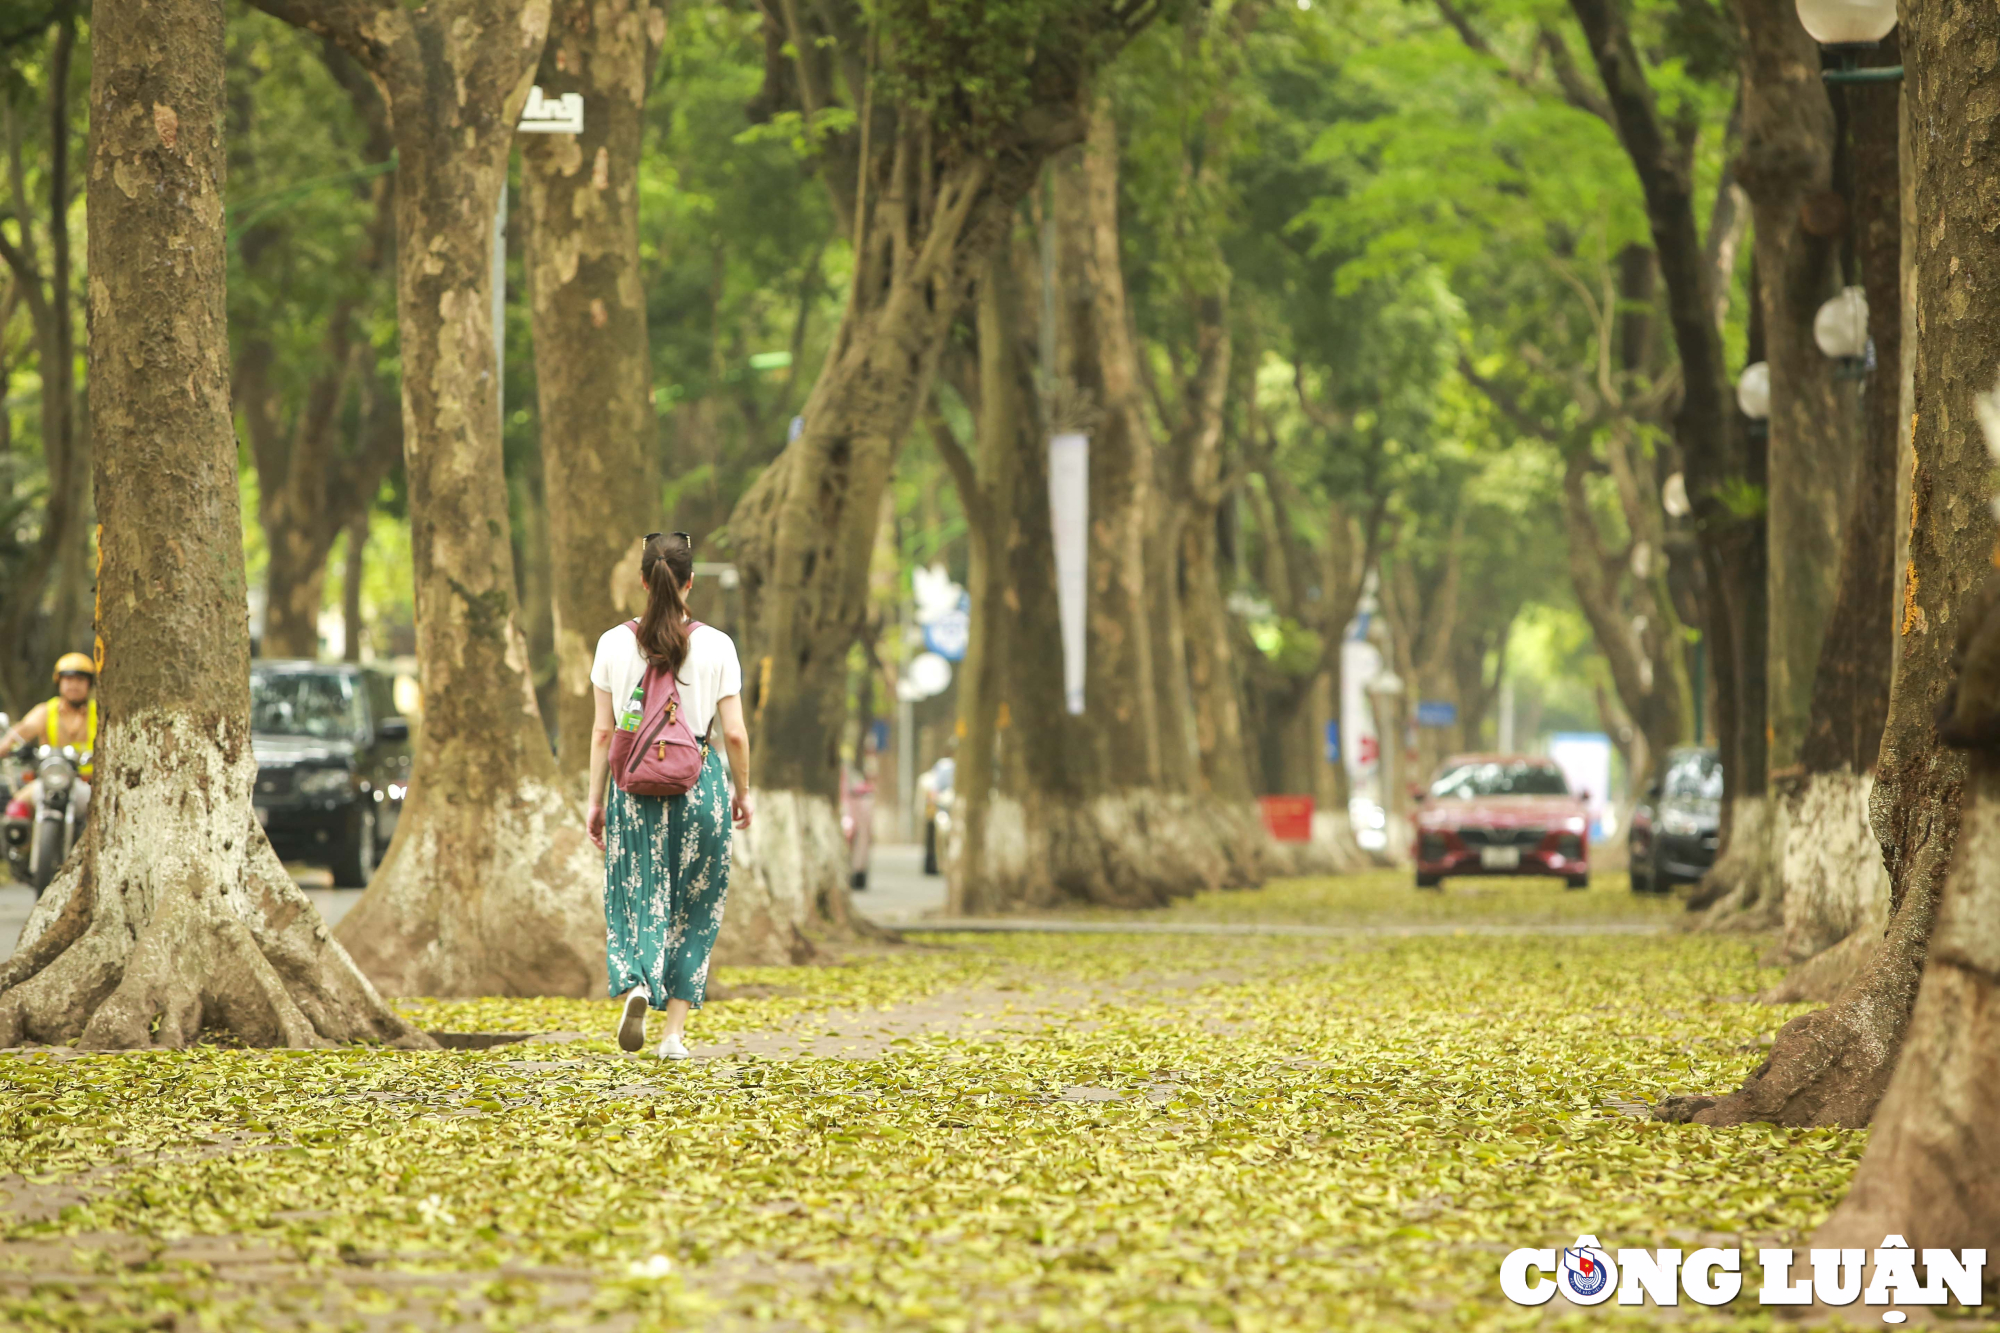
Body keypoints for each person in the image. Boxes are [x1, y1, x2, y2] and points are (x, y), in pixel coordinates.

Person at [586, 532, 751, 1060]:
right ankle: (673, 1036)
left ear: (641, 580)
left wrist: (595, 802)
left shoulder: (613, 642)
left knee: (636, 892)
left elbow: (601, 733)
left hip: (632, 791)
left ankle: (636, 982)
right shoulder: (718, 645)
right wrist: (741, 791)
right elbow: (736, 735)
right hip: (699, 786)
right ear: (690, 582)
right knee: (695, 906)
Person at [2, 653, 100, 820]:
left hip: (89, 785)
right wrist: (5, 748)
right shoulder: (46, 711)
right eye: (69, 680)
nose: (74, 686)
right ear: (59, 682)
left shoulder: (100, 713)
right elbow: (22, 731)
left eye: (80, 680)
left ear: (89, 684)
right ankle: (20, 846)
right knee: (16, 808)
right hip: (49, 783)